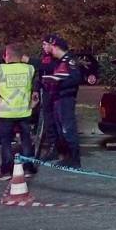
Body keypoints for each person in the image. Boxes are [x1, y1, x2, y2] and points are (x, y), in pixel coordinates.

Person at [0, 43, 39, 180]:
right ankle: (28, 168)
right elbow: (34, 85)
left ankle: (6, 170)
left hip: (6, 113)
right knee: (26, 140)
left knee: (6, 142)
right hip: (24, 111)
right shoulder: (29, 69)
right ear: (21, 56)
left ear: (8, 55)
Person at [43, 36, 82, 168]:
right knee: (61, 129)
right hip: (58, 98)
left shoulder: (69, 60)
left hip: (66, 98)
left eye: (50, 47)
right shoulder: (60, 61)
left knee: (68, 128)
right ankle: (67, 156)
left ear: (55, 46)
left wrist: (58, 81)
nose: (49, 50)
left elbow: (76, 78)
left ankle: (75, 159)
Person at [23, 34, 62, 160]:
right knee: (48, 120)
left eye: (45, 44)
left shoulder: (58, 56)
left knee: (55, 121)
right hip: (46, 92)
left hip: (56, 93)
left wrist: (29, 60)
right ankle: (52, 147)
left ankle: (57, 148)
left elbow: (49, 67)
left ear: (52, 45)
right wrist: (35, 90)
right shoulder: (45, 56)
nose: (43, 46)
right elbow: (41, 73)